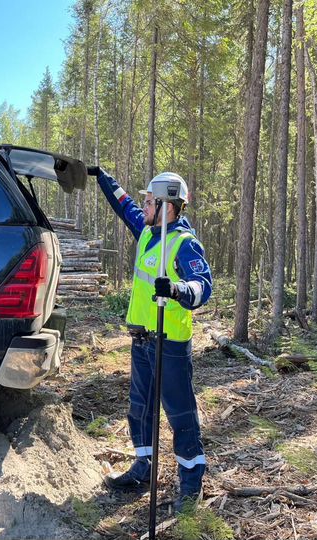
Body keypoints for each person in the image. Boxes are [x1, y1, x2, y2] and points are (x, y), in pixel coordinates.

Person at [87, 166, 212, 512]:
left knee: (180, 415)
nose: (142, 206)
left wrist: (177, 289)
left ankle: (191, 485)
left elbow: (204, 286)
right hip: (141, 340)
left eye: (149, 201)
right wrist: (103, 178)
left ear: (166, 205)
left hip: (169, 344)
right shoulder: (146, 231)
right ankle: (144, 468)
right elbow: (124, 206)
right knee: (139, 410)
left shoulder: (185, 244)